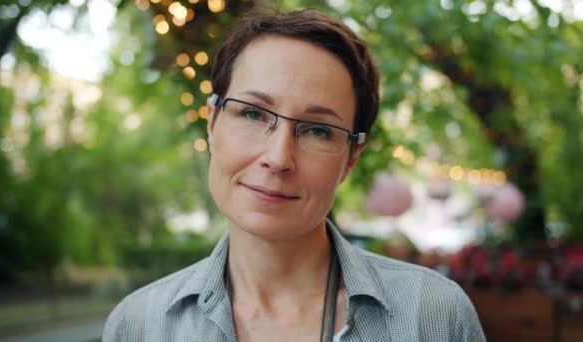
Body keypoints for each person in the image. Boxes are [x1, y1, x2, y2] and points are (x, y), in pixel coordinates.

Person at [103, 9, 485, 342]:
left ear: (351, 158)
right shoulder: (138, 326)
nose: (278, 157)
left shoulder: (433, 318)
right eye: (253, 113)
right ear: (212, 123)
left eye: (318, 130)